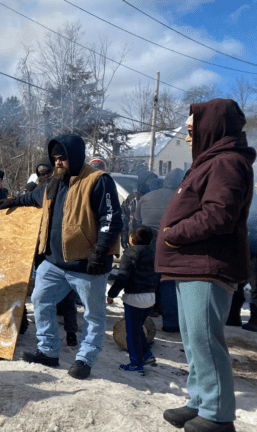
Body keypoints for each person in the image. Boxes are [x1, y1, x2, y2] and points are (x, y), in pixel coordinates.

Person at [158, 100, 254, 432]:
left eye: (190, 130)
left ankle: (216, 415)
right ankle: (198, 402)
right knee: (195, 340)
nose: (187, 137)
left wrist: (174, 234)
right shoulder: (210, 163)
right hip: (192, 265)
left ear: (209, 127)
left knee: (206, 340)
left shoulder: (227, 162)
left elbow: (219, 215)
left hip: (207, 266)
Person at [0, 133, 122, 380]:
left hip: (88, 265)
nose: (58, 163)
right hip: (54, 263)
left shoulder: (97, 181)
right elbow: (32, 197)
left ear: (74, 157)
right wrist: (13, 201)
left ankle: (85, 359)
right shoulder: (54, 183)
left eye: (62, 158)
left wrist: (100, 252)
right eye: (55, 159)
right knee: (41, 301)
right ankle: (48, 350)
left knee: (93, 315)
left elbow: (111, 218)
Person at [135, 168, 185, 333]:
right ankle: (171, 322)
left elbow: (136, 223)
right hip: (170, 246)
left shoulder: (147, 197)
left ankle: (143, 316)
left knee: (148, 281)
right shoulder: (183, 198)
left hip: (147, 244)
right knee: (168, 283)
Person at [107, 225, 157, 376]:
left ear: (132, 239)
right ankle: (147, 354)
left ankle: (136, 363)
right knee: (138, 327)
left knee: (132, 332)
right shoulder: (155, 253)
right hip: (150, 297)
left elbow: (122, 277)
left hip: (134, 299)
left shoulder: (130, 254)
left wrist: (112, 293)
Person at [120, 169, 158, 249]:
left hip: (151, 238)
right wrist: (124, 234)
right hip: (135, 238)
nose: (151, 183)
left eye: (153, 181)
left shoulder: (155, 197)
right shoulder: (133, 197)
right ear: (143, 181)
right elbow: (124, 216)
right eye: (149, 181)